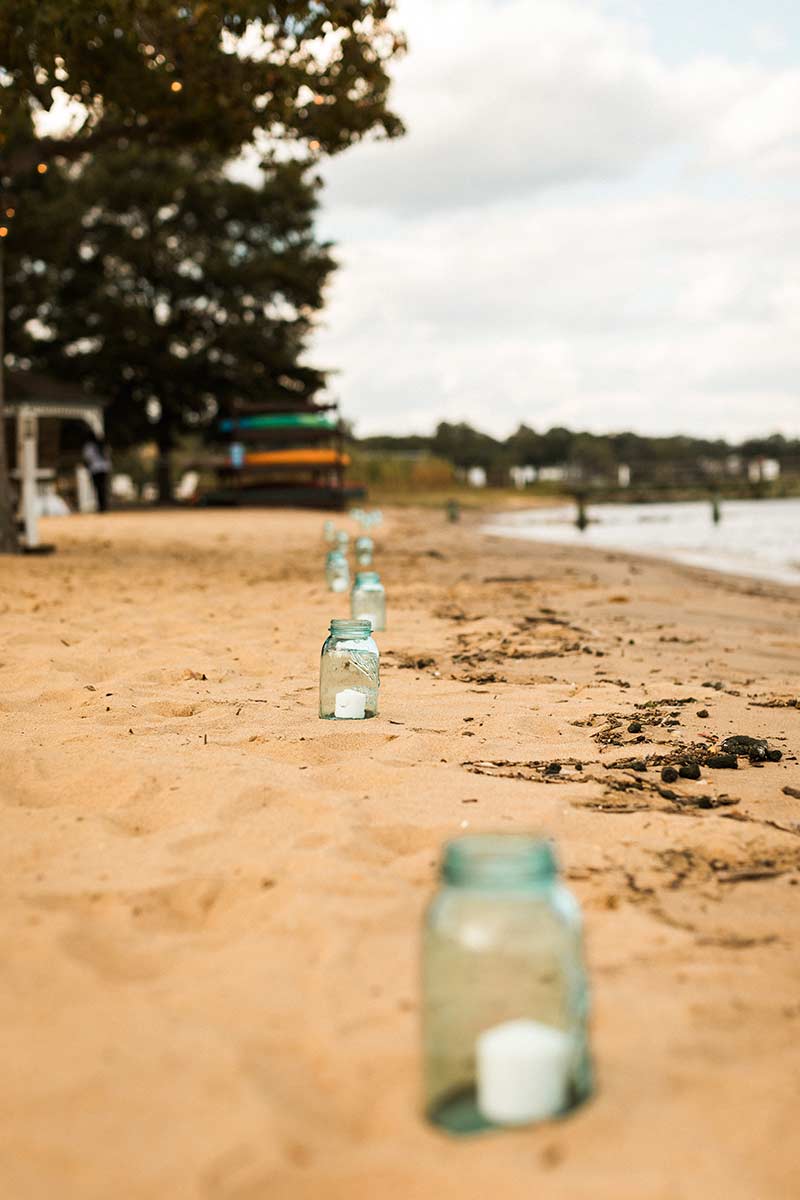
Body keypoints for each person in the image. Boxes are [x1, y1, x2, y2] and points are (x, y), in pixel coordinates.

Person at [82, 437, 112, 512]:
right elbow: (108, 456)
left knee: (97, 488)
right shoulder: (104, 445)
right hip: (104, 469)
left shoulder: (89, 446)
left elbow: (87, 458)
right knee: (104, 488)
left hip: (95, 469)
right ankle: (105, 506)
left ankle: (101, 506)